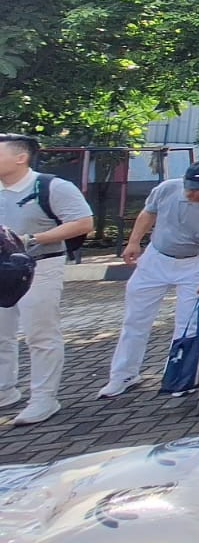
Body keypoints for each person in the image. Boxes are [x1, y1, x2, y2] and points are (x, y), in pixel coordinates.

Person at [100, 159, 199, 398]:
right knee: (135, 319)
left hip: (197, 262)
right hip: (157, 257)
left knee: (188, 324)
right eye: (191, 188)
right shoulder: (167, 189)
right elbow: (148, 213)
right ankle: (123, 375)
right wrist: (134, 242)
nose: (195, 194)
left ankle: (179, 377)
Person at [0, 135, 92, 424]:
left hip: (40, 265)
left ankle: (44, 398)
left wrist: (31, 240)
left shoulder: (52, 186)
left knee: (40, 334)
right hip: (3, 270)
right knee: (1, 333)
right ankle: (4, 390)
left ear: (20, 157)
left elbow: (82, 222)